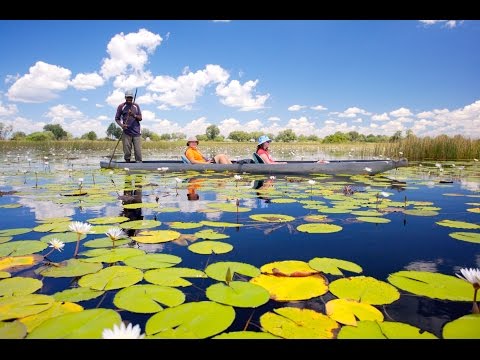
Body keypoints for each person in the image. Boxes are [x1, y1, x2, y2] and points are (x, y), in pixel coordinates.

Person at [115, 90, 143, 163]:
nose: (129, 99)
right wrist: (122, 125)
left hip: (136, 132)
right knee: (127, 151)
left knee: (138, 151)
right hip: (126, 132)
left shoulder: (136, 106)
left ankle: (139, 163)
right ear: (125, 97)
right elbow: (117, 118)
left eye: (131, 98)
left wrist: (133, 115)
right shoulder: (121, 106)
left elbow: (140, 118)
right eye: (128, 98)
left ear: (133, 98)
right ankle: (127, 163)